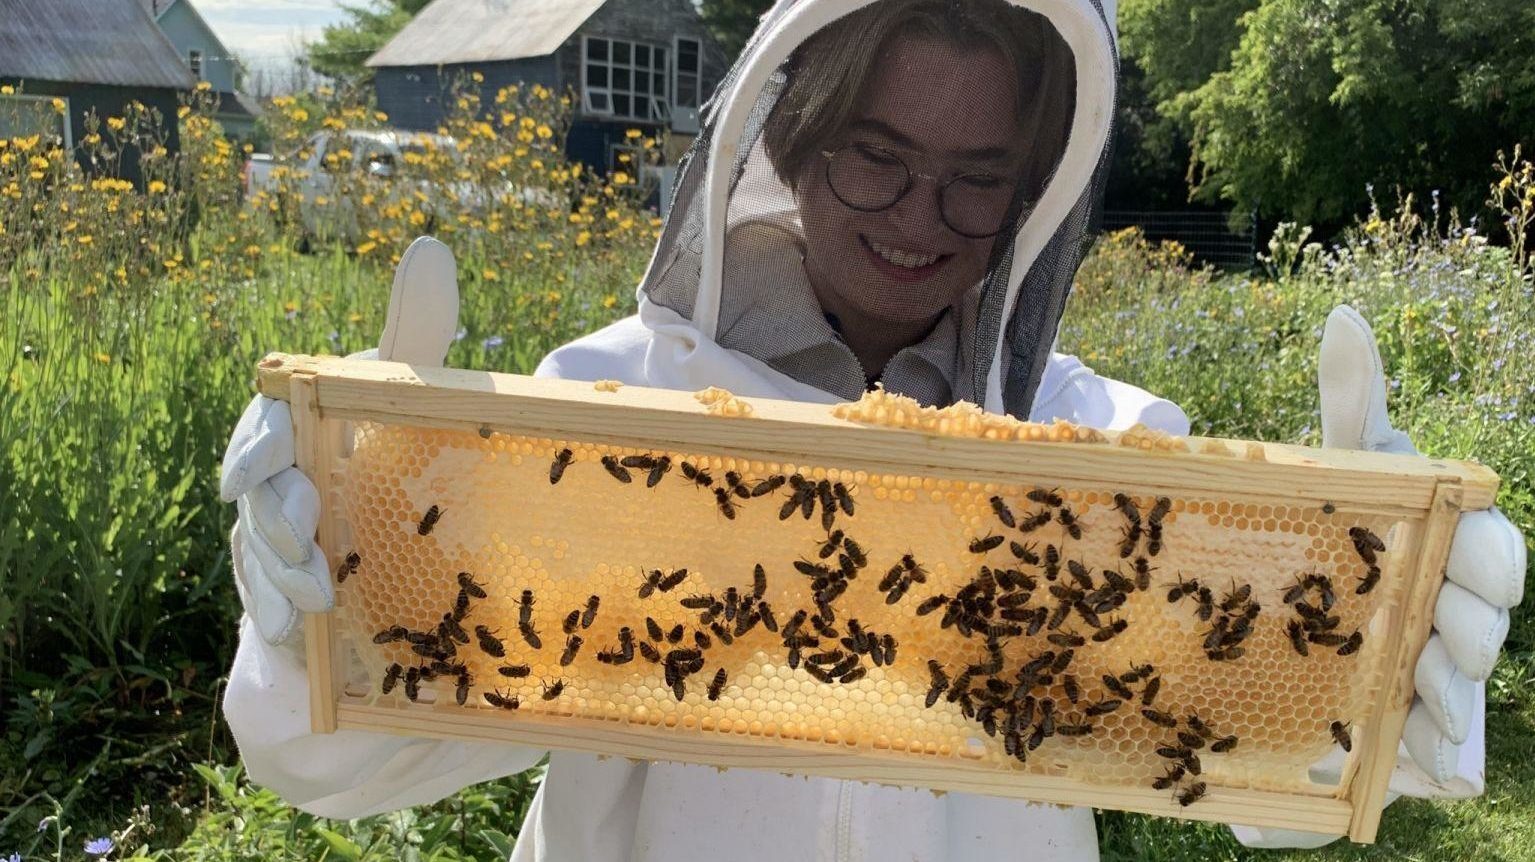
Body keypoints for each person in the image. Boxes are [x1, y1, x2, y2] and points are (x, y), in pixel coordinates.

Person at [219, 0, 1525, 858]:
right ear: (792, 134)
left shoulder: (1106, 447)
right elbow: (340, 764)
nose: (920, 216)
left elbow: (1249, 750)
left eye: (978, 178)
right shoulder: (606, 408)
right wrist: (333, 582)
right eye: (877, 155)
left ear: (1038, 192)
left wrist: (1370, 634)